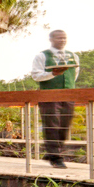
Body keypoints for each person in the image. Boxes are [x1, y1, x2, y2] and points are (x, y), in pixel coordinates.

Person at [29, 29, 79, 168]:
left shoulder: (73, 56)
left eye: (64, 38)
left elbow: (74, 75)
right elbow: (35, 75)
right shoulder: (42, 56)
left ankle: (52, 152)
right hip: (48, 95)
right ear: (51, 39)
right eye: (59, 38)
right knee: (52, 124)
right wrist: (52, 74)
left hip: (68, 94)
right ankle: (56, 157)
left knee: (65, 124)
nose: (62, 40)